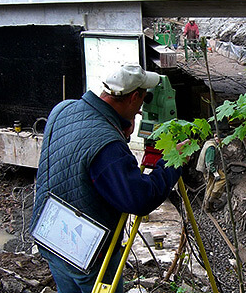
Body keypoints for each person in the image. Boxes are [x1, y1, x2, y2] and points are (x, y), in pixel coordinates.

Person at [30, 64, 186, 293]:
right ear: (134, 97)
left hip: (50, 234)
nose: (142, 109)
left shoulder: (63, 110)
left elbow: (79, 156)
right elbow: (139, 198)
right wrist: (174, 161)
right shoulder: (108, 146)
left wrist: (117, 128)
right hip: (87, 252)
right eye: (143, 101)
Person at [196, 135, 227, 212]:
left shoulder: (209, 142)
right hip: (208, 169)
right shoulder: (211, 148)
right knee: (222, 179)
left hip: (205, 168)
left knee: (209, 186)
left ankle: (208, 206)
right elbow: (209, 163)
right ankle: (212, 198)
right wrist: (215, 173)